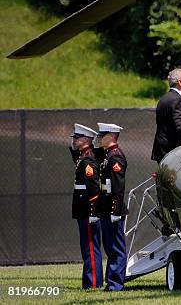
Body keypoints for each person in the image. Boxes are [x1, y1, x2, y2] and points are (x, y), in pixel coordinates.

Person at [69, 123, 103, 289]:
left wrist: (93, 212)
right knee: (87, 247)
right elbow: (74, 153)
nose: (74, 140)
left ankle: (94, 282)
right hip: (82, 208)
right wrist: (74, 145)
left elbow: (94, 188)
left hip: (87, 209)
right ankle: (89, 282)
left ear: (86, 140)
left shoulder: (88, 158)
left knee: (90, 247)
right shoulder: (83, 156)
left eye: (77, 138)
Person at [95, 123, 128, 291]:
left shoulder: (115, 157)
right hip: (106, 208)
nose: (100, 138)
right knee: (110, 247)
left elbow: (117, 187)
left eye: (103, 135)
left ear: (111, 136)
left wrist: (115, 210)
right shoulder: (108, 155)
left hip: (112, 209)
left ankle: (116, 284)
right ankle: (112, 281)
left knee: (116, 248)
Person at [151, 68, 181, 163]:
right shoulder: (177, 100)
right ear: (180, 82)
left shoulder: (164, 98)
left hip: (161, 150)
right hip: (172, 151)